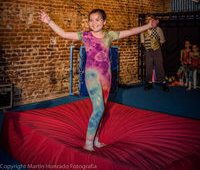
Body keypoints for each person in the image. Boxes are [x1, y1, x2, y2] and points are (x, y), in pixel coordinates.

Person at [39, 9, 158, 151]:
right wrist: (49, 21)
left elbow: (131, 31)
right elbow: (64, 34)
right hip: (92, 76)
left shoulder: (110, 35)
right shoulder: (85, 35)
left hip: (106, 77)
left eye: (97, 19)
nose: (94, 23)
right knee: (99, 108)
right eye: (91, 20)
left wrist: (149, 25)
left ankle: (95, 139)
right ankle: (88, 143)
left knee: (102, 110)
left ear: (104, 21)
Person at [140, 14, 169, 91]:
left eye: (150, 19)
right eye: (147, 19)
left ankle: (163, 82)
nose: (148, 20)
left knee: (159, 66)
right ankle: (149, 83)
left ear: (153, 20)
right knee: (148, 67)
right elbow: (142, 41)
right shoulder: (143, 30)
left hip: (157, 50)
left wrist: (156, 47)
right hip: (148, 50)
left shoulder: (158, 29)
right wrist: (148, 48)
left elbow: (162, 41)